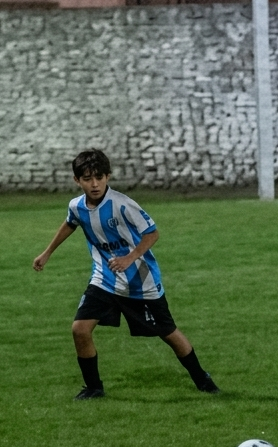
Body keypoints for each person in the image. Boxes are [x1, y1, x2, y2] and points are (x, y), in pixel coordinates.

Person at [32, 149, 219, 400]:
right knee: (80, 329)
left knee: (168, 332)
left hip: (140, 283)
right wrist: (47, 253)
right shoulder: (76, 206)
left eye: (99, 177)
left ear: (108, 176)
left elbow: (152, 233)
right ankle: (94, 387)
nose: (94, 183)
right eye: (87, 178)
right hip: (104, 279)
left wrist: (129, 258)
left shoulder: (123, 204)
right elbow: (70, 223)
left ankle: (201, 378)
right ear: (77, 181)